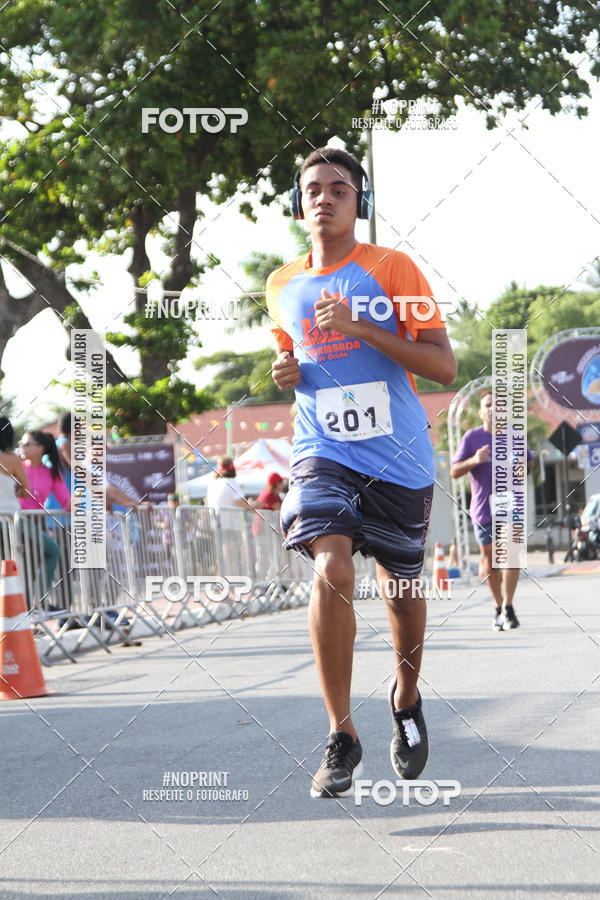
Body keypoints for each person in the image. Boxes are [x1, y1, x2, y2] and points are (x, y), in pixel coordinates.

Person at [268, 146, 456, 798]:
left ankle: (405, 697)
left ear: (360, 202)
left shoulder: (392, 268)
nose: (324, 198)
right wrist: (285, 373)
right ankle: (341, 733)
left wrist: (363, 329)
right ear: (299, 204)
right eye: (312, 189)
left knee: (401, 590)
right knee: (332, 566)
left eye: (339, 188)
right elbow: (295, 360)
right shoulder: (281, 284)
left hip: (399, 455)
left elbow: (443, 366)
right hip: (323, 448)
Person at [450, 392, 533, 631]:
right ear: (481, 412)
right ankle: (498, 605)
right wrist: (474, 460)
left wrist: (521, 468)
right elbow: (454, 471)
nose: (494, 408)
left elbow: (528, 463)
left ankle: (508, 605)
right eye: (488, 405)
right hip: (483, 508)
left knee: (512, 552)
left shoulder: (516, 436)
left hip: (509, 504)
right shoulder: (472, 437)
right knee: (491, 561)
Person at [19, 430, 71, 602]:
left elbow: (66, 501)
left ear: (40, 448)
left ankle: (37, 604)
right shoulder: (17, 467)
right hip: (19, 522)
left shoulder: (51, 472)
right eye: (21, 443)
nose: (21, 447)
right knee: (49, 553)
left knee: (34, 564)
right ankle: (33, 606)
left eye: (26, 444)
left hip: (37, 524)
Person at [0, 416, 31, 558]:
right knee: (52, 551)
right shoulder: (12, 459)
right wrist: (14, 491)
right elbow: (26, 491)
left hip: (10, 519)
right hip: (11, 518)